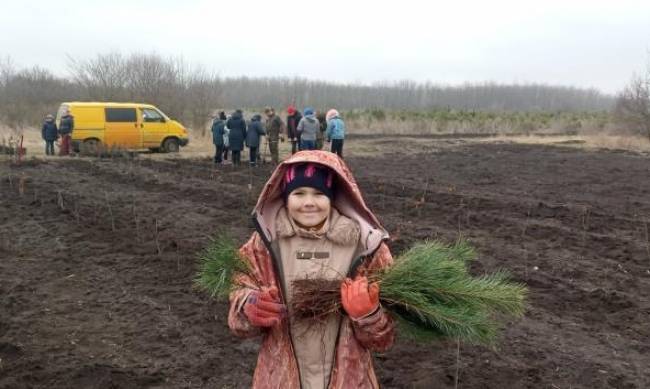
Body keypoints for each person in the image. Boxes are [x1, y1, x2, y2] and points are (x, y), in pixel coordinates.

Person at [229, 150, 395, 389]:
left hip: (350, 380)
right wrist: (248, 305)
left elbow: (384, 339)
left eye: (319, 193)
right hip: (279, 380)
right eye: (298, 193)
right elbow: (238, 295)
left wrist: (369, 315)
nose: (308, 202)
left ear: (333, 197)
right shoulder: (264, 244)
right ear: (285, 197)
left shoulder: (366, 248)